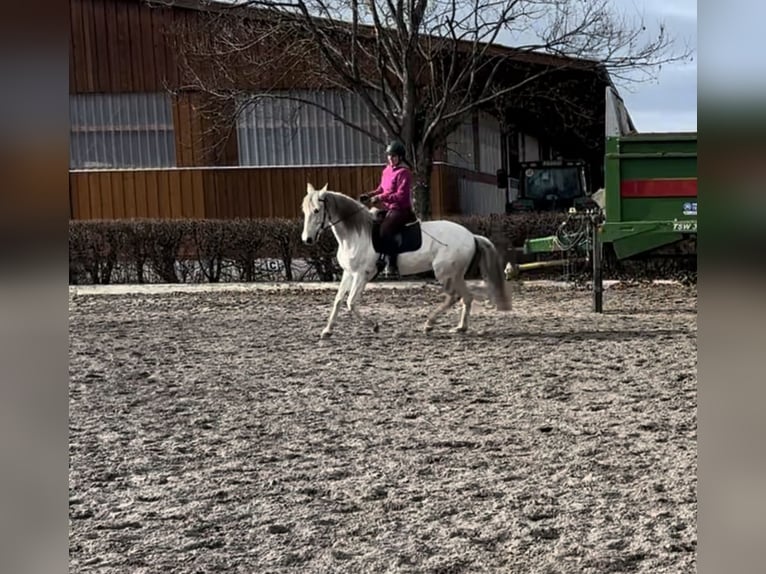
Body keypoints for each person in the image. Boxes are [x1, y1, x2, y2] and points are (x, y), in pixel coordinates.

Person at [364, 140, 416, 278]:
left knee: (385, 229)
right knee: (373, 224)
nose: (390, 159)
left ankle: (392, 265)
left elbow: (401, 195)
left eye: (393, 156)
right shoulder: (386, 171)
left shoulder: (404, 172)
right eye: (389, 156)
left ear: (400, 157)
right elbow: (381, 189)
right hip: (389, 209)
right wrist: (369, 195)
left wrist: (381, 198)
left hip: (401, 210)